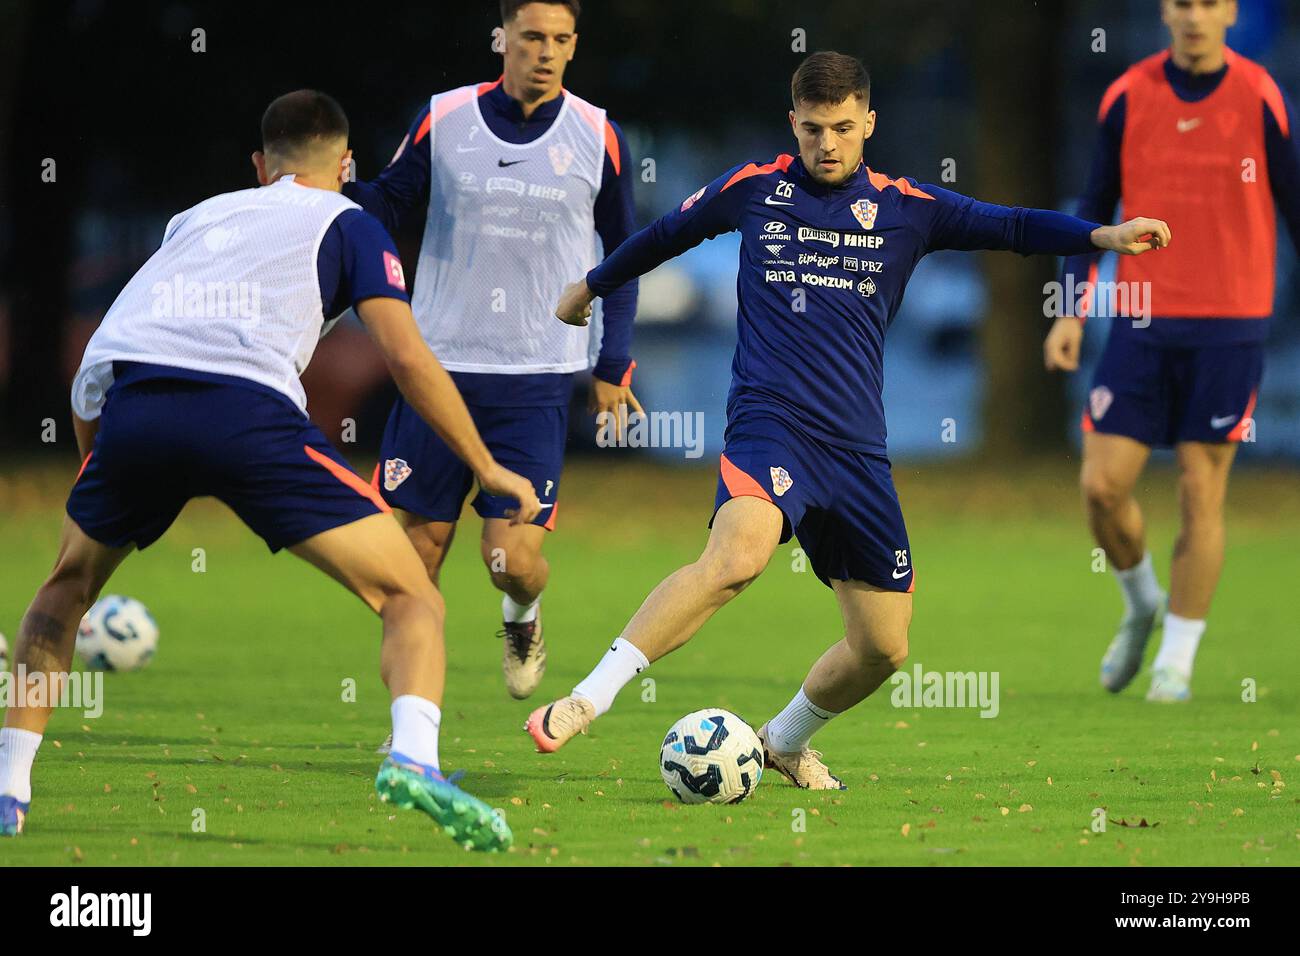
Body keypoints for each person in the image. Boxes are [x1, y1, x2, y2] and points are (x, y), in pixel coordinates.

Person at [526, 51, 1170, 789]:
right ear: (791, 124)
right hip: (769, 423)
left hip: (858, 451)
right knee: (737, 558)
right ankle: (586, 698)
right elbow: (666, 234)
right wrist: (589, 285)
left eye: (840, 128)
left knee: (883, 650)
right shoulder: (755, 190)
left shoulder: (909, 208)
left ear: (868, 122)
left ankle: (783, 741)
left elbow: (1014, 225)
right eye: (811, 129)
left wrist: (1104, 238)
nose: (826, 144)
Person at [0, 90, 539, 849]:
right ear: (347, 165)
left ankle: (9, 786)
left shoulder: (197, 218)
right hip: (248, 415)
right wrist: (486, 466)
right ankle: (415, 756)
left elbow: (100, 359)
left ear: (260, 166)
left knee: (64, 589)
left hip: (137, 405)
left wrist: (101, 466)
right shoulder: (351, 221)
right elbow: (407, 354)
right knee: (410, 593)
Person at [345, 0, 639, 705]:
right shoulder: (445, 119)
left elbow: (623, 258)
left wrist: (611, 366)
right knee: (414, 560)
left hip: (535, 380)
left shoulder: (598, 135)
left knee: (511, 560)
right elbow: (388, 202)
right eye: (532, 36)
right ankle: (413, 728)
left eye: (561, 40)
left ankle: (522, 616)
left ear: (574, 46)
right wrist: (331, 186)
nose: (546, 51)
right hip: (436, 370)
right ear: (501, 38)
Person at [1043, 0, 1299, 701]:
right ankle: (1140, 603)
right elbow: (1093, 208)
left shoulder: (1261, 94)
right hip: (1140, 319)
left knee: (1199, 489)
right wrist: (1069, 310)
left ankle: (1175, 666)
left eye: (1209, 4)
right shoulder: (1128, 95)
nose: (1194, 16)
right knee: (1101, 486)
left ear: (1231, 13)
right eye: (1183, 3)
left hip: (1231, 324)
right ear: (1166, 12)